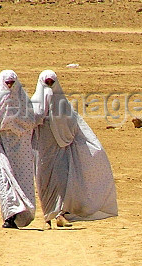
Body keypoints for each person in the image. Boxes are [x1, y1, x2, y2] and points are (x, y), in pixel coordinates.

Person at [31, 69, 118, 228]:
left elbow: (72, 126)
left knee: (62, 181)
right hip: (43, 153)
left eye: (52, 83)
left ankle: (60, 215)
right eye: (47, 83)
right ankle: (47, 219)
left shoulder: (63, 104)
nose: (49, 87)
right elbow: (31, 121)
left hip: (60, 151)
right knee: (44, 184)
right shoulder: (35, 103)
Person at [0, 70, 39, 229]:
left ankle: (19, 214)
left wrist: (13, 125)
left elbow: (29, 121)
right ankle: (9, 216)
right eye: (6, 83)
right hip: (1, 146)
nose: (9, 87)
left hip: (20, 149)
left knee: (21, 181)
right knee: (3, 180)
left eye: (12, 83)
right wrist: (6, 124)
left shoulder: (22, 99)